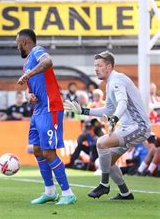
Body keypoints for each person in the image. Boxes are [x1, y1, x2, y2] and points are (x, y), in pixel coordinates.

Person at [64, 51, 151, 200]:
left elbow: (122, 102)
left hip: (139, 126)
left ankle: (104, 185)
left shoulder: (117, 80)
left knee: (101, 143)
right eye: (95, 66)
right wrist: (83, 110)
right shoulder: (110, 83)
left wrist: (115, 118)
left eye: (99, 65)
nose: (96, 69)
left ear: (109, 66)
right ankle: (125, 193)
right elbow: (108, 110)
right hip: (128, 127)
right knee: (108, 162)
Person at [16, 28, 76, 205]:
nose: (16, 46)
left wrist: (28, 74)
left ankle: (68, 193)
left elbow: (48, 62)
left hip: (51, 108)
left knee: (49, 152)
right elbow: (29, 90)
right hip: (38, 110)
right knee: (37, 150)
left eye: (17, 43)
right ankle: (50, 191)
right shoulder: (27, 63)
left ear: (24, 42)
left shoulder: (37, 51)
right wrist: (29, 96)